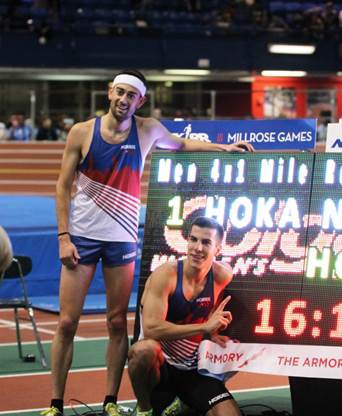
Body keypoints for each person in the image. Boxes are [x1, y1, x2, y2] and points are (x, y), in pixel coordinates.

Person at [45, 69, 253, 416]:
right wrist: (64, 236)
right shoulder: (82, 132)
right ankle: (55, 404)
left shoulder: (148, 129)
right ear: (109, 91)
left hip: (121, 240)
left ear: (141, 101)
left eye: (132, 96)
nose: (124, 100)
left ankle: (110, 401)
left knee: (116, 323)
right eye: (120, 93)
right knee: (67, 322)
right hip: (82, 238)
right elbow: (62, 185)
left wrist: (223, 147)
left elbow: (183, 144)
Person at [128, 217, 239, 416]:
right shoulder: (166, 276)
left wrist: (212, 333)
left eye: (206, 242)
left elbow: (211, 310)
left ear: (218, 250)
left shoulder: (222, 275)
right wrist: (204, 328)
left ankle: (185, 402)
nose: (197, 248)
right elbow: (152, 328)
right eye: (193, 239)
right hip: (161, 369)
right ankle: (144, 409)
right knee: (143, 350)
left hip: (193, 371)